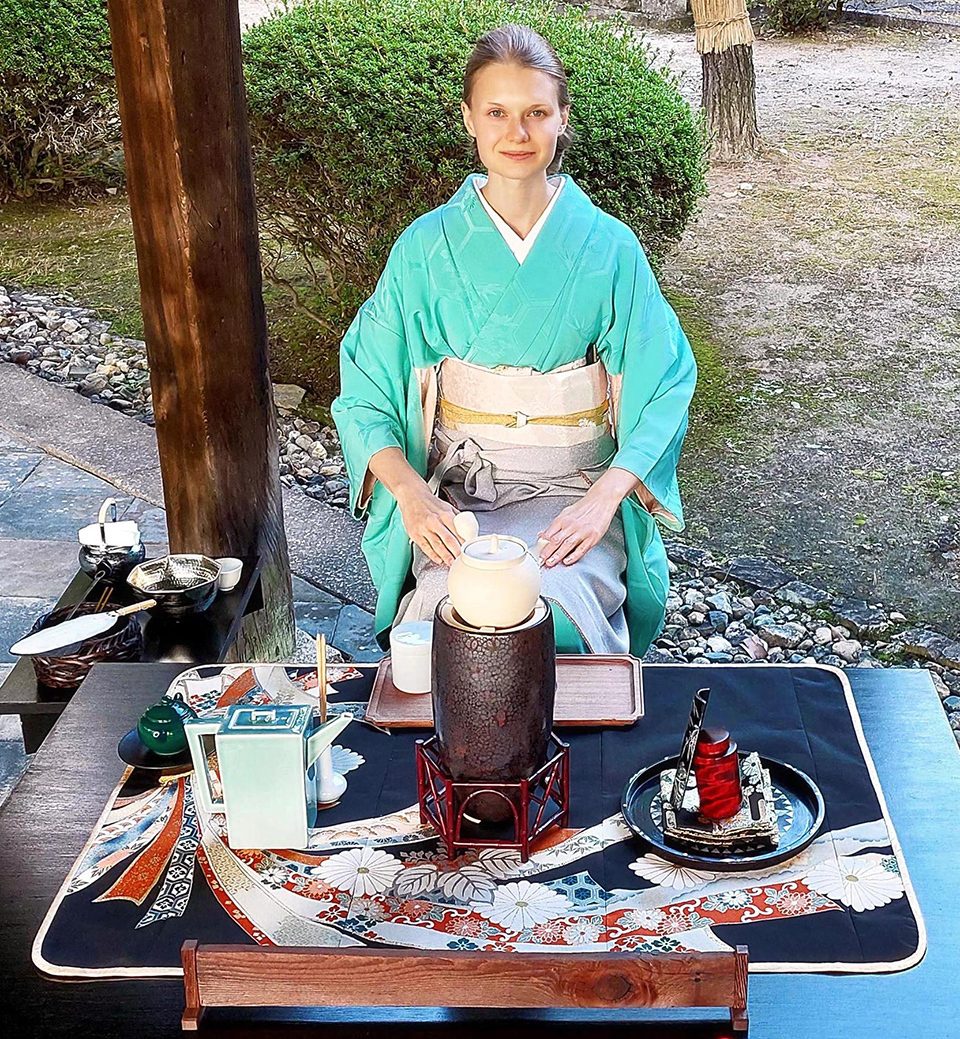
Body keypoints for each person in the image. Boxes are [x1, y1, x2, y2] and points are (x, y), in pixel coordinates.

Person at [332, 23, 696, 656]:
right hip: (462, 500)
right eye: (497, 112)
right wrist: (413, 498)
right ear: (470, 119)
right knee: (456, 621)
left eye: (536, 113)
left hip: (574, 498)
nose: (517, 133)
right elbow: (364, 394)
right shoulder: (425, 248)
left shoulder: (608, 248)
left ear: (561, 119)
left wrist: (605, 499)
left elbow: (663, 384)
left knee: (551, 622)